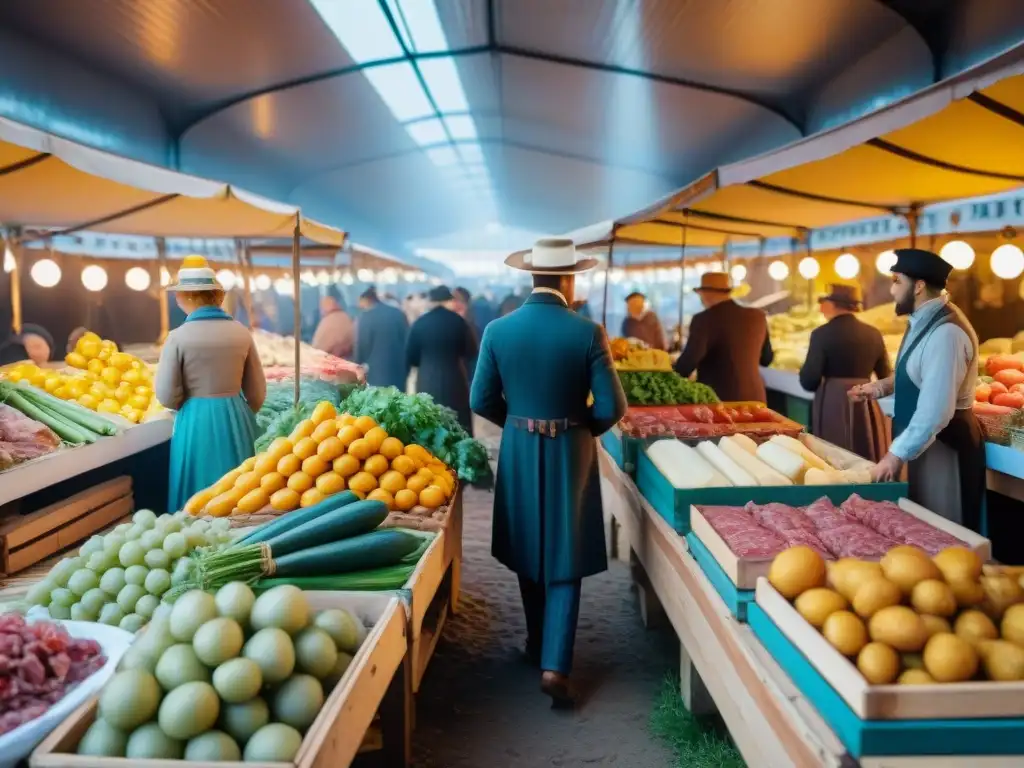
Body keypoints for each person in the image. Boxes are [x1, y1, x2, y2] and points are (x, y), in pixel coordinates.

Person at [471, 237, 627, 706]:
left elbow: (480, 400)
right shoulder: (587, 331)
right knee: (565, 549)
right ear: (569, 279)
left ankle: (535, 643)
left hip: (518, 446)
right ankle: (555, 665)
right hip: (570, 449)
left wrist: (519, 426)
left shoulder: (497, 330)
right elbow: (613, 406)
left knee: (526, 542)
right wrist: (581, 428)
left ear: (532, 277)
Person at [850, 248, 985, 530]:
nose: (891, 290)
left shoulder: (947, 332)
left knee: (946, 533)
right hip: (926, 445)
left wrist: (894, 455)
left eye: (897, 281)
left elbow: (935, 410)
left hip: (945, 445)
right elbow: (919, 372)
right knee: (923, 526)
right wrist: (879, 387)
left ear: (919, 286)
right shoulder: (925, 320)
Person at [155, 256, 266, 513]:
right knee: (239, 495)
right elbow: (258, 393)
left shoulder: (178, 338)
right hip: (237, 417)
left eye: (179, 294)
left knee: (197, 495)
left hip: (195, 421)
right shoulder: (241, 332)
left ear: (189, 297)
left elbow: (166, 395)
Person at [799, 284, 891, 462]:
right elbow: (885, 376)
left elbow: (809, 381)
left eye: (823, 301)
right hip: (866, 400)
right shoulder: (874, 334)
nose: (821, 306)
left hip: (833, 402)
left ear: (833, 304)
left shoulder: (821, 334)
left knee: (834, 456)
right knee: (865, 453)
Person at [674, 272, 773, 402]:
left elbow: (688, 363)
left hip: (719, 401)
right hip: (755, 398)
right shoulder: (758, 316)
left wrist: (666, 376)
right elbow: (767, 359)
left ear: (705, 293)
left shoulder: (703, 320)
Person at [407, 285, 478, 433]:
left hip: (427, 382)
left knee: (430, 428)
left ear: (431, 301)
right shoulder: (459, 322)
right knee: (458, 428)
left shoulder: (420, 323)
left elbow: (411, 357)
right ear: (448, 301)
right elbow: (471, 352)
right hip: (455, 380)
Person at [354, 286, 409, 390]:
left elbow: (361, 345)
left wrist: (358, 365)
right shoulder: (398, 313)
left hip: (376, 376)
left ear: (367, 300)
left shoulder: (366, 318)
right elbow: (407, 341)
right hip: (398, 373)